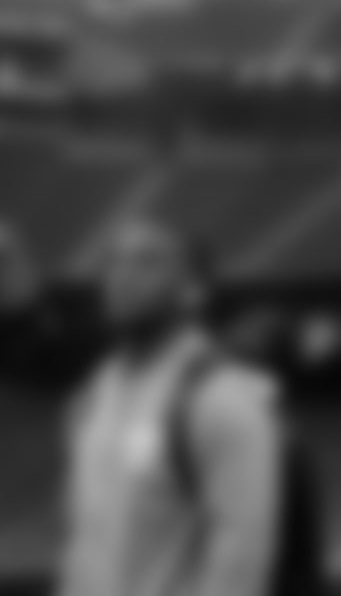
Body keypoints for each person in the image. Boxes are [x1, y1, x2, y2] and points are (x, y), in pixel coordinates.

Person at [57, 221, 283, 596]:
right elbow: (83, 543)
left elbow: (241, 558)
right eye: (113, 261)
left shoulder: (219, 397)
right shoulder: (95, 393)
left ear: (194, 291)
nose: (122, 276)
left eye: (147, 262)